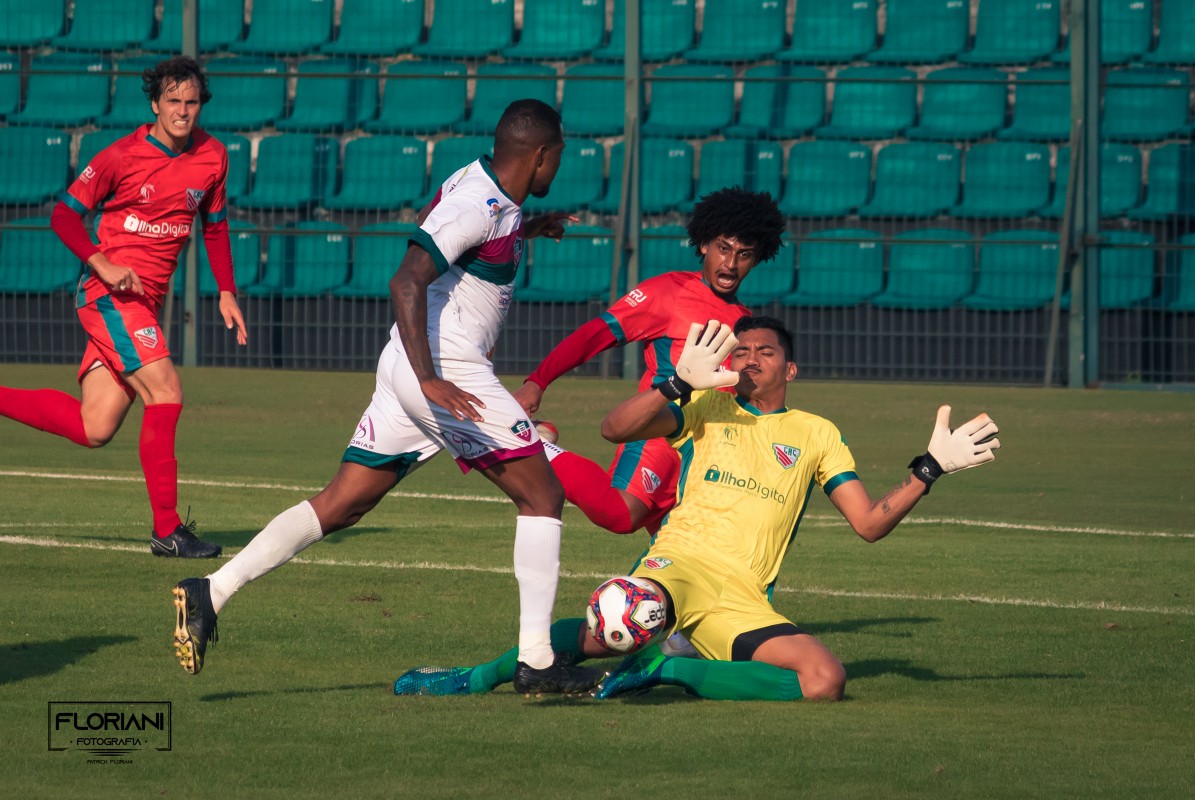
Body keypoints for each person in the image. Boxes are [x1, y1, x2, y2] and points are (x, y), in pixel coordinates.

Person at [170, 99, 603, 695]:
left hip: (413, 366)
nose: (561, 166)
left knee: (342, 503)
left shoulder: (489, 196)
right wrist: (429, 380)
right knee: (542, 493)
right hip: (440, 366)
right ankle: (537, 661)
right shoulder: (477, 202)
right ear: (541, 154)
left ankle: (211, 590)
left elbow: (470, 249)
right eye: (559, 155)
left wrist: (529, 228)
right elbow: (406, 279)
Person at [396, 316, 1000, 700]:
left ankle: (669, 673)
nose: (750, 359)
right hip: (678, 567)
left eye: (765, 352)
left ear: (790, 368)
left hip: (741, 598)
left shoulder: (818, 433)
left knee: (824, 680)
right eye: (742, 352)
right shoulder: (709, 407)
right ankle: (474, 678)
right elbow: (613, 429)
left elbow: (869, 524)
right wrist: (676, 384)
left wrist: (929, 470)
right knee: (611, 631)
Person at [0, 56, 247, 559]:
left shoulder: (214, 157)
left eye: (191, 101)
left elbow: (215, 227)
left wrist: (226, 291)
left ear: (202, 104)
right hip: (108, 296)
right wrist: (102, 262)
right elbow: (64, 217)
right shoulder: (120, 156)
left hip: (144, 306)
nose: (182, 110)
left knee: (96, 427)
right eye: (173, 101)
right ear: (155, 103)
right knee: (167, 392)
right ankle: (168, 530)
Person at [516, 188, 786, 537]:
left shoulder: (744, 320)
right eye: (723, 248)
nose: (731, 264)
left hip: (702, 452)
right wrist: (539, 380)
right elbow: (594, 335)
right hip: (657, 432)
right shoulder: (668, 293)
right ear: (704, 244)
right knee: (620, 514)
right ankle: (542, 448)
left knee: (682, 551)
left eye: (744, 254)